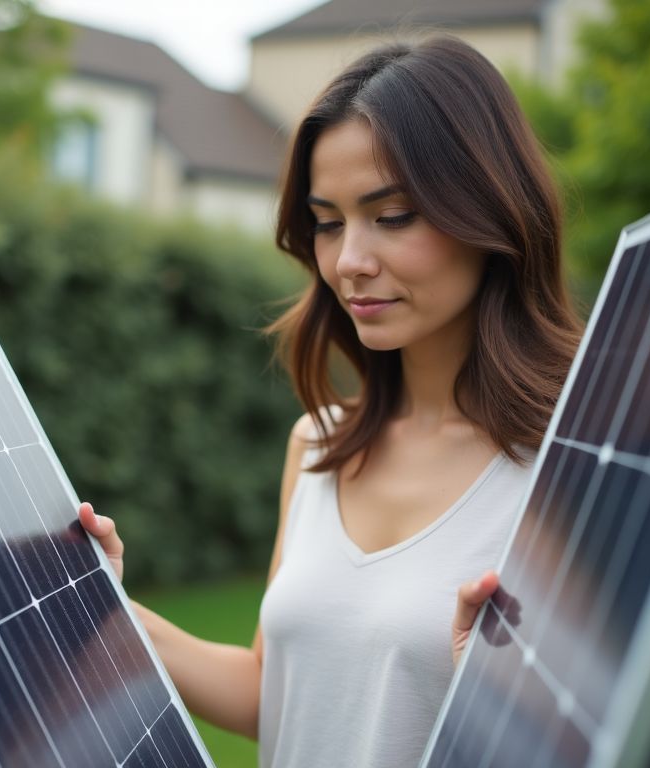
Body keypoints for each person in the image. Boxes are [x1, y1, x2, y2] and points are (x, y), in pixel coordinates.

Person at [78, 34, 581, 768]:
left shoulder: (571, 461)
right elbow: (271, 692)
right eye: (328, 221)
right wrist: (103, 609)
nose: (349, 262)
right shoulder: (315, 443)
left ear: (492, 211)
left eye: (394, 214)